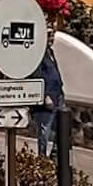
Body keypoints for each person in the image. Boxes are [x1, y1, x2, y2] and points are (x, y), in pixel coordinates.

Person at [32, 29, 66, 158]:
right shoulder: (39, 55)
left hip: (57, 94)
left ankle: (55, 153)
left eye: (52, 36)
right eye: (49, 36)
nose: (52, 38)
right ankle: (42, 156)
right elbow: (38, 75)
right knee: (44, 130)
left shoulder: (50, 52)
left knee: (61, 126)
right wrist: (45, 95)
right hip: (47, 98)